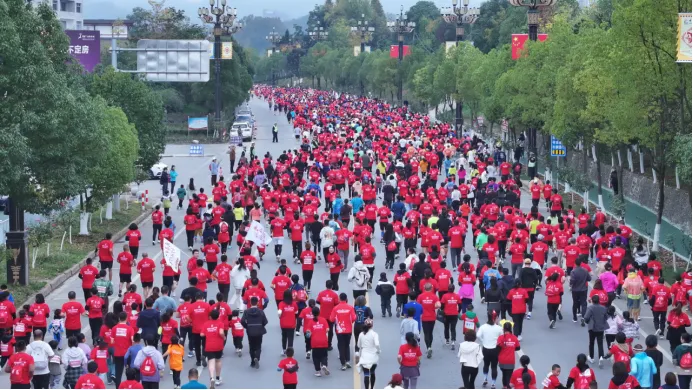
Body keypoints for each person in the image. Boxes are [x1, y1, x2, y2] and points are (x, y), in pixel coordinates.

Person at [241, 296, 268, 369]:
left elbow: (242, 321)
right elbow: (265, 321)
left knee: (251, 346)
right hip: (259, 330)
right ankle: (257, 358)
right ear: (257, 303)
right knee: (258, 345)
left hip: (250, 330)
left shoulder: (246, 311)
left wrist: (247, 326)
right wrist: (261, 325)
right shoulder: (261, 311)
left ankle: (252, 362)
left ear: (250, 303)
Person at [200, 310, 225, 388]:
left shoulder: (206, 324)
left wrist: (208, 332)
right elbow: (221, 332)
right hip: (218, 345)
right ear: (218, 316)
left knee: (211, 362)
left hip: (209, 345)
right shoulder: (220, 323)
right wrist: (224, 337)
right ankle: (218, 378)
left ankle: (212, 378)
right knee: (218, 361)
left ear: (210, 316)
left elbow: (202, 334)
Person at [477, 312, 502, 388]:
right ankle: (493, 383)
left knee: (486, 364)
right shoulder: (499, 328)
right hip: (495, 350)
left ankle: (485, 379)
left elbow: (478, 335)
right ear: (494, 318)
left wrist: (483, 341)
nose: (498, 319)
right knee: (494, 367)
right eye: (497, 318)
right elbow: (502, 337)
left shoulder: (483, 327)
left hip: (485, 349)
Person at [583, 295, 608, 365]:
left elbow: (586, 317)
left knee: (591, 343)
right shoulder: (603, 308)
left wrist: (588, 322)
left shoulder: (590, 308)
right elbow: (606, 317)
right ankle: (601, 357)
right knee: (600, 343)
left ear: (592, 301)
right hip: (600, 328)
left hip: (592, 327)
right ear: (599, 300)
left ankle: (591, 357)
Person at [356, 319, 380, 389]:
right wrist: (378, 350)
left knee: (366, 374)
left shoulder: (361, 334)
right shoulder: (374, 334)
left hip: (364, 356)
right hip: (373, 357)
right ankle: (372, 388)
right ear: (372, 326)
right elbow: (377, 344)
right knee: (372, 372)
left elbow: (358, 345)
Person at [307, 305, 330, 377]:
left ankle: (318, 371)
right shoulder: (323, 320)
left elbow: (308, 333)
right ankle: (324, 364)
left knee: (315, 357)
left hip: (315, 342)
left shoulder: (310, 322)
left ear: (312, 313)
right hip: (323, 341)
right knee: (324, 355)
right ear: (319, 312)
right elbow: (327, 330)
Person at [497, 322, 520, 389]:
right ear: (511, 328)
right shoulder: (514, 338)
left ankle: (504, 386)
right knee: (509, 376)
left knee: (504, 374)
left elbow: (498, 348)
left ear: (503, 329)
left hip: (502, 360)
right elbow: (518, 348)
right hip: (511, 360)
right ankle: (508, 387)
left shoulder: (500, 338)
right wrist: (511, 347)